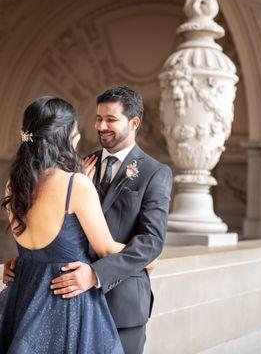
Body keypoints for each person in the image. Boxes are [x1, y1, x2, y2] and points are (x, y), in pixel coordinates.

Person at [48, 86, 173, 353]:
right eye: (98, 118)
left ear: (134, 122)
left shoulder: (155, 173)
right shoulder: (78, 165)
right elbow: (53, 221)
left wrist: (96, 274)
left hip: (123, 304)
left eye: (111, 119)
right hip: (71, 301)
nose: (101, 126)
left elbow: (151, 242)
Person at [0, 96, 125, 353]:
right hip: (67, 306)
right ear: (67, 137)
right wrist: (147, 256)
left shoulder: (13, 185)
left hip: (22, 296)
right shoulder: (75, 185)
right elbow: (106, 249)